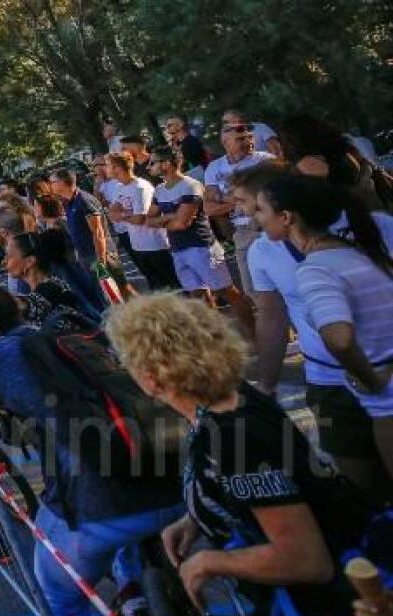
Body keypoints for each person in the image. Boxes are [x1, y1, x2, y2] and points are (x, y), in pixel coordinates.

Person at [105, 292, 388, 616]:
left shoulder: (230, 439)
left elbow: (305, 559)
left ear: (152, 377)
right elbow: (276, 486)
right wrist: (195, 517)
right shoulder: (233, 399)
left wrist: (209, 563)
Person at [0, 284, 183, 616]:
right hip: (173, 478)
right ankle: (134, 585)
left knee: (60, 597)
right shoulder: (63, 337)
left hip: (97, 502)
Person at [255, 173, 393, 496]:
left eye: (260, 209)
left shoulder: (315, 269)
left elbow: (340, 338)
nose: (255, 217)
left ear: (286, 217)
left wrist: (369, 380)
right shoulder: (360, 251)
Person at [147, 146, 255, 341]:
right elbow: (149, 221)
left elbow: (183, 223)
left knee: (227, 291)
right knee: (199, 297)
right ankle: (218, 339)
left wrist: (165, 220)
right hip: (178, 249)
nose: (149, 167)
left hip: (201, 247)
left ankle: (254, 335)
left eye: (153, 162)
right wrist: (171, 216)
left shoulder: (190, 186)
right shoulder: (159, 190)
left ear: (167, 164)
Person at [203, 121, 276, 294]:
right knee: (252, 290)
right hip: (242, 233)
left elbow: (272, 196)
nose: (248, 142)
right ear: (226, 144)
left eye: (249, 138)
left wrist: (224, 199)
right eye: (240, 139)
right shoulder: (214, 168)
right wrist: (242, 200)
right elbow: (208, 207)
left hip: (269, 227)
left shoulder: (265, 160)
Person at [105, 152, 181, 291]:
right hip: (138, 246)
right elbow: (112, 213)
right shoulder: (119, 187)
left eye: (108, 165)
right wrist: (127, 215)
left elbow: (140, 219)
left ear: (117, 168)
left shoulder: (140, 187)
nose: (106, 169)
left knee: (175, 285)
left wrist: (122, 215)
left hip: (156, 245)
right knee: (158, 288)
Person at [49, 168, 111, 270]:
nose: (50, 185)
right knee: (99, 286)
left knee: (114, 286)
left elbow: (98, 233)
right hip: (86, 256)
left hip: (99, 255)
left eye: (53, 182)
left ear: (63, 182)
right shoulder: (68, 202)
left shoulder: (83, 200)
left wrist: (101, 263)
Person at [164, 114, 210, 182]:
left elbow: (193, 165)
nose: (167, 128)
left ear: (181, 125)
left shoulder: (192, 142)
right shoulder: (176, 143)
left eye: (170, 125)